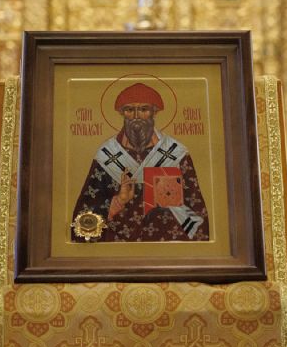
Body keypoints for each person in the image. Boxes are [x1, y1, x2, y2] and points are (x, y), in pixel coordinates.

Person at [71, 82, 209, 242]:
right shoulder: (107, 155)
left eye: (144, 109)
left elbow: (196, 210)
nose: (136, 115)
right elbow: (83, 221)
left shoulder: (175, 154)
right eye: (130, 110)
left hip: (166, 244)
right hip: (116, 246)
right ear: (122, 113)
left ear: (154, 112)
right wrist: (119, 201)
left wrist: (167, 200)